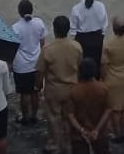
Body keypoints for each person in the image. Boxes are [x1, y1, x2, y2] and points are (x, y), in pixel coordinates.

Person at [43, 16, 85, 154]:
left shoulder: (48, 49)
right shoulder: (76, 46)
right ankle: (67, 144)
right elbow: (79, 66)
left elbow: (40, 71)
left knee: (54, 117)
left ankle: (55, 144)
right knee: (69, 116)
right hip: (71, 87)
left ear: (54, 29)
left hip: (54, 88)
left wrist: (38, 86)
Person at [101, 16, 124, 144]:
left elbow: (104, 64)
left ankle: (117, 134)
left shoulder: (108, 44)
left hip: (112, 78)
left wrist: (103, 78)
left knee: (115, 109)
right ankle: (123, 132)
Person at [11, 0, 48, 126]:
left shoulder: (15, 28)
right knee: (35, 92)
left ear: (19, 12)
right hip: (36, 63)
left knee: (24, 94)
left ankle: (25, 117)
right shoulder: (39, 23)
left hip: (22, 66)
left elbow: (13, 48)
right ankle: (34, 115)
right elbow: (43, 43)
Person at [68, 57, 111, 154]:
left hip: (79, 135)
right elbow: (108, 110)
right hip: (100, 132)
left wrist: (82, 130)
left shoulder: (74, 91)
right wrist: (97, 129)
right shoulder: (103, 88)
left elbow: (70, 115)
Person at [70, 0, 109, 68]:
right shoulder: (101, 6)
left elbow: (73, 29)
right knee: (96, 64)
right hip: (97, 39)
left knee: (83, 65)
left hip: (82, 40)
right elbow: (104, 24)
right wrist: (101, 36)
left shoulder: (76, 9)